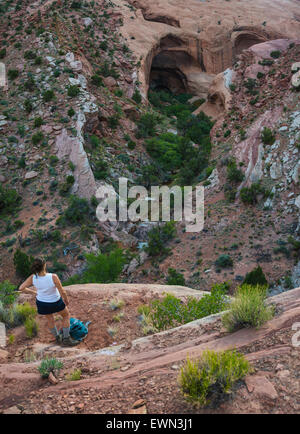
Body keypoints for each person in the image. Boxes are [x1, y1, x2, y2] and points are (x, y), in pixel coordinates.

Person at [18, 257, 79, 346]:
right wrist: (66, 299)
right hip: (55, 301)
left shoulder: (33, 277)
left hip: (42, 303)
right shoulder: (53, 277)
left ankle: (57, 338)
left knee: (50, 319)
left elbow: (21, 288)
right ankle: (66, 339)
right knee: (65, 316)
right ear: (44, 265)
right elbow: (62, 291)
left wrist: (34, 292)